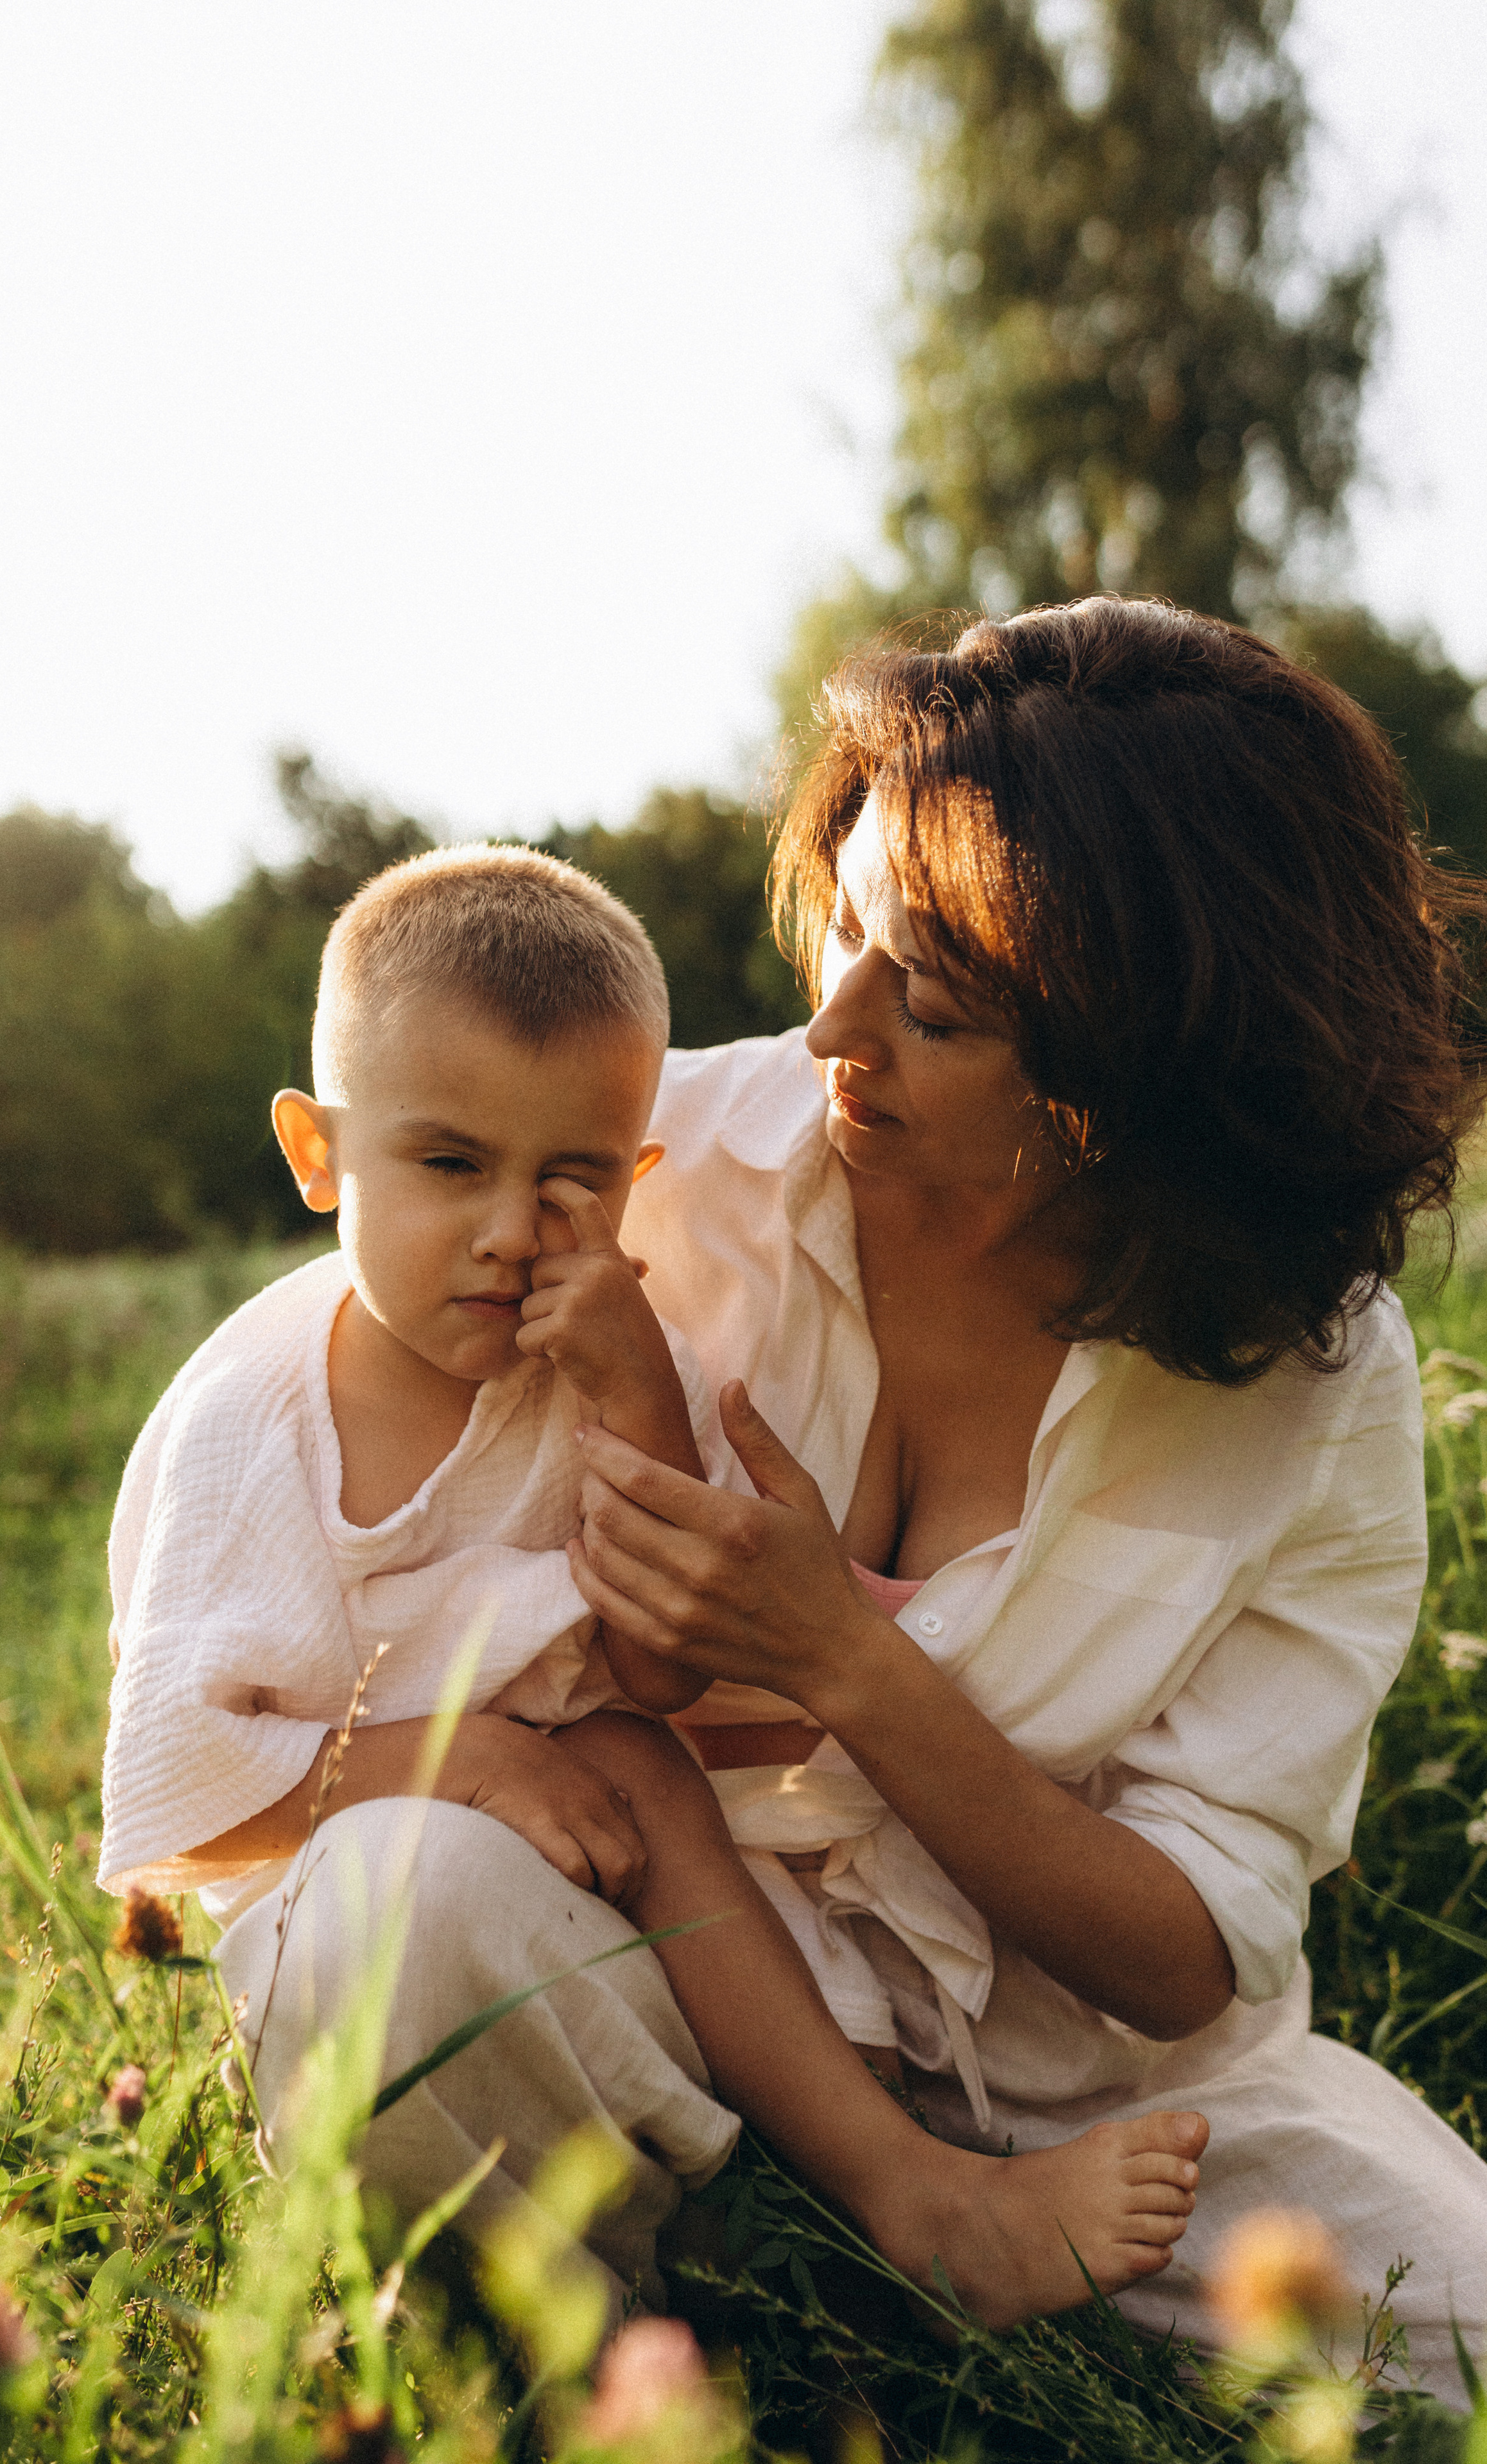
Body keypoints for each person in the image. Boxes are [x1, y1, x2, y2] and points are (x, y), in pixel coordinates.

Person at [97, 840, 1203, 2329]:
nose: (509, 1232)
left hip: (599, 1829)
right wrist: (468, 1760)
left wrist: (635, 1405)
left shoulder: (608, 1360)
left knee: (635, 1761)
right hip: (337, 1845)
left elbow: (666, 1673)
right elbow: (177, 1788)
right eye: (446, 1166)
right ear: (317, 1155)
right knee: (525, 1826)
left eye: (571, 1180)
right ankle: (618, 2326)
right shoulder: (254, 1424)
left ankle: (891, 2198)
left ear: (642, 1176)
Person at [574, 599, 1487, 2399]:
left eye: (938, 1001)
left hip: (1113, 2113)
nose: (833, 1023)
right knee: (400, 1918)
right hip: (693, 1999)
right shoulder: (663, 1166)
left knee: (1460, 2322)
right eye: (843, 924)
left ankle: (806, 2290)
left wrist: (849, 1660)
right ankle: (699, 2319)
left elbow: (1187, 1962)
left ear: (1148, 1078)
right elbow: (310, 1380)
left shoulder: (1321, 1387)